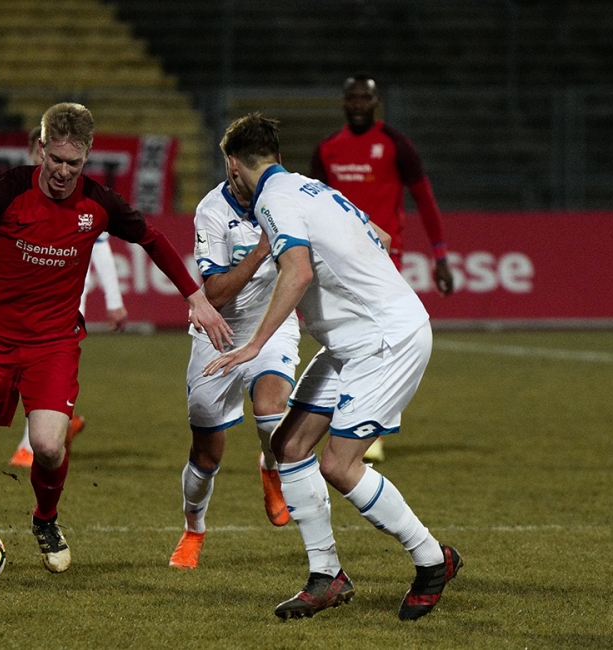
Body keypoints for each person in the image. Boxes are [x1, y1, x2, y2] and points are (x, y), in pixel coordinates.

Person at [0, 102, 232, 576]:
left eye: (74, 163)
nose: (63, 172)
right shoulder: (6, 189)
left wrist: (195, 297)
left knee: (47, 446)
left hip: (54, 344)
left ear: (87, 156)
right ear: (42, 149)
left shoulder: (99, 203)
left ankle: (46, 520)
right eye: (56, 159)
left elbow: (153, 239)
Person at [206, 113, 462, 621]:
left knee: (338, 465)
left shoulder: (273, 200)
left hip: (385, 341)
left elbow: (298, 272)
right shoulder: (312, 188)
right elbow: (380, 236)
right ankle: (327, 576)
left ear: (233, 165)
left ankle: (433, 559)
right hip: (353, 341)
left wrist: (255, 344)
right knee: (288, 446)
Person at [0, 126, 129, 467]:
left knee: (42, 373)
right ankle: (60, 427)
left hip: (63, 300)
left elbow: (101, 247)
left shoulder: (78, 196)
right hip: (18, 305)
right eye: (41, 154)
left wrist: (115, 301)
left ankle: (32, 445)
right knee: (24, 372)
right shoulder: (17, 190)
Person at [310, 74, 454, 463]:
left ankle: (372, 427)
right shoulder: (328, 149)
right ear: (344, 102)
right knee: (347, 339)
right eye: (353, 98)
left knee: (380, 338)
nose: (358, 104)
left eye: (365, 98)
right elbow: (312, 203)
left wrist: (440, 255)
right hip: (336, 259)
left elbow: (425, 200)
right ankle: (350, 418)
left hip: (383, 258)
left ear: (376, 102)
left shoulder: (395, 145)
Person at [168, 179, 299, 570]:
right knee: (206, 454)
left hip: (271, 327)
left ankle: (271, 467)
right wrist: (261, 251)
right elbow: (216, 294)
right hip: (217, 333)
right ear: (232, 165)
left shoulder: (288, 198)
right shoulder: (212, 210)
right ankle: (194, 530)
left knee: (272, 414)